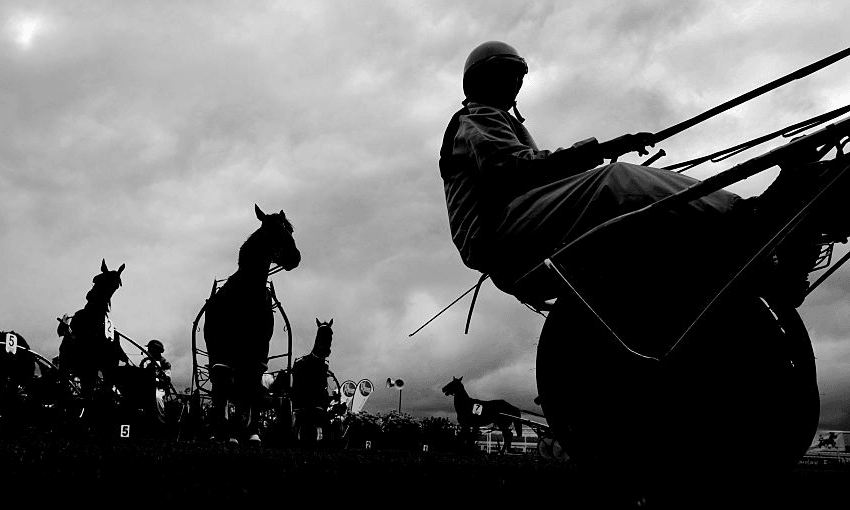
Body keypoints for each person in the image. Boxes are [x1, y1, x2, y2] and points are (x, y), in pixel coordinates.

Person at [439, 41, 841, 312]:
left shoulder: (496, 121)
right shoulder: (476, 118)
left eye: (519, 77)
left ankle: (756, 268)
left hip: (514, 233)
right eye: (509, 75)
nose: (515, 83)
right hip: (499, 238)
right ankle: (751, 218)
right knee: (615, 183)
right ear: (482, 80)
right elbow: (518, 170)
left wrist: (609, 149)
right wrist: (605, 149)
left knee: (639, 217)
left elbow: (531, 176)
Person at [290, 319, 334, 446]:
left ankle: (318, 432)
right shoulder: (300, 363)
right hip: (302, 400)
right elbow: (296, 389)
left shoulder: (324, 365)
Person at [140, 339, 172, 434]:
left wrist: (155, 380)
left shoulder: (165, 363)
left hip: (159, 389)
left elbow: (167, 379)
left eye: (150, 349)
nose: (148, 351)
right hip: (145, 388)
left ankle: (161, 426)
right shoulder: (145, 362)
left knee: (157, 398)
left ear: (156, 350)